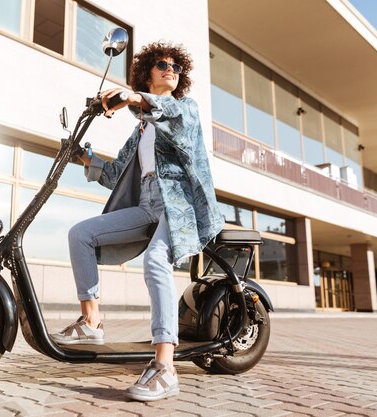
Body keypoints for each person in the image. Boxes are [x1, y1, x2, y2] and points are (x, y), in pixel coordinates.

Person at [50, 41, 224, 401]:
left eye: (176, 66)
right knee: (80, 234)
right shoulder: (142, 130)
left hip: (178, 205)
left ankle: (165, 366)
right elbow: (115, 173)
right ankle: (92, 321)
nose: (170, 69)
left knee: (155, 261)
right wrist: (82, 156)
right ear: (147, 73)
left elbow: (166, 116)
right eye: (162, 64)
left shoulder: (183, 109)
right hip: (146, 204)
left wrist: (133, 99)